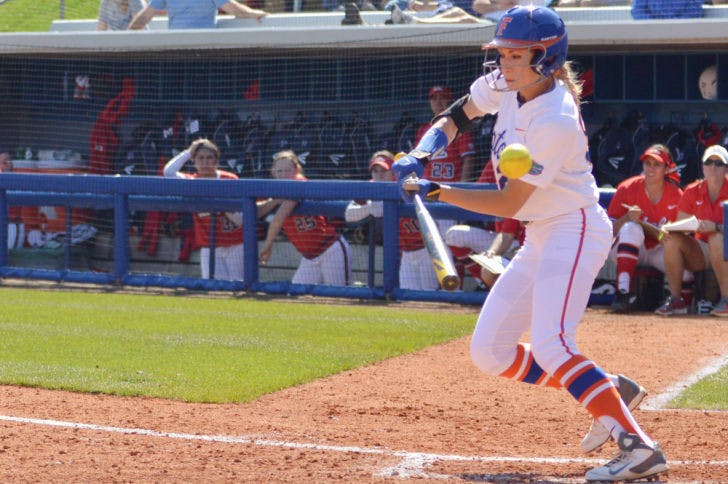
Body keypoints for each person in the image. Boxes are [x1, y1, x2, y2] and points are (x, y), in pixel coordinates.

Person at [392, 6, 667, 481]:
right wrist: (422, 152)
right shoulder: (507, 84)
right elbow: (458, 115)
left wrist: (437, 191)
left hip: (574, 228)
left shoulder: (555, 118)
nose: (503, 64)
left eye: (515, 54)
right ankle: (606, 389)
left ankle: (638, 447)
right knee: (490, 351)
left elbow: (512, 201)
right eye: (500, 53)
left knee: (553, 343)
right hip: (542, 233)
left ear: (546, 57)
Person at [163, 138, 278, 280]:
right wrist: (189, 151)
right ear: (194, 161)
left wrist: (222, 206)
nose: (205, 162)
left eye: (209, 158)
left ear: (216, 160)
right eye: (200, 158)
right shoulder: (191, 181)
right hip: (209, 246)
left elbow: (240, 219)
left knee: (240, 286)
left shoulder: (229, 179)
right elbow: (168, 172)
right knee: (213, 289)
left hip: (236, 243)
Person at [606, 144, 683, 313]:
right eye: (648, 163)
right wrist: (627, 217)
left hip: (658, 250)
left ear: (667, 168)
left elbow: (679, 238)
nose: (651, 168)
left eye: (657, 164)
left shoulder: (676, 195)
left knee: (686, 274)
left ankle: (681, 301)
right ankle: (623, 293)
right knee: (631, 228)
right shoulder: (627, 188)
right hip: (627, 249)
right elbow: (608, 231)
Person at [345, 151, 438, 290]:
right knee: (408, 297)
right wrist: (370, 208)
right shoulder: (371, 187)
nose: (379, 174)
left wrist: (383, 207)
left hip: (427, 249)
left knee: (431, 297)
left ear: (394, 172)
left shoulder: (407, 183)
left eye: (384, 170)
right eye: (375, 170)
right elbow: (349, 215)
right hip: (407, 253)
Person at [260, 150, 352, 286]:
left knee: (340, 295)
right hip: (309, 257)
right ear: (273, 172)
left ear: (297, 170)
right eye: (279, 171)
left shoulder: (299, 182)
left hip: (330, 249)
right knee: (296, 293)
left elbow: (279, 217)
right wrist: (274, 201)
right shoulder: (275, 191)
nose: (284, 175)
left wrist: (267, 245)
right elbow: (255, 212)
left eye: (288, 170)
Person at [655, 144, 728, 317]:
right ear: (702, 166)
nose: (713, 167)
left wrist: (716, 227)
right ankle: (676, 300)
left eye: (718, 164)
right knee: (672, 239)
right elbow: (682, 224)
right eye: (709, 162)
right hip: (702, 251)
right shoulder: (692, 191)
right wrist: (669, 228)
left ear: (726, 169)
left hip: (725, 248)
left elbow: (717, 233)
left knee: (717, 238)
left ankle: (726, 300)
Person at [128, 0, 267, 30]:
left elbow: (143, 18)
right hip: (203, 52)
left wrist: (128, 37)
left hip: (173, 52)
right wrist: (256, 13)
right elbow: (235, 10)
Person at [0, 151, 25, 250]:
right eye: (5, 162)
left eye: (10, 161)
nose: (9, 164)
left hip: (12, 225)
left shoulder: (16, 179)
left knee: (11, 255)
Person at [389, 0, 482, 24]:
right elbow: (442, 5)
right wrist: (422, 7)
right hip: (443, 14)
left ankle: (417, 22)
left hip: (486, 25)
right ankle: (416, 22)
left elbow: (478, 6)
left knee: (460, 14)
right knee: (457, 11)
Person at [631, 0, 702, 19]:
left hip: (682, 35)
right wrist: (655, 26)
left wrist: (674, 26)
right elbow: (637, 11)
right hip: (651, 36)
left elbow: (695, 10)